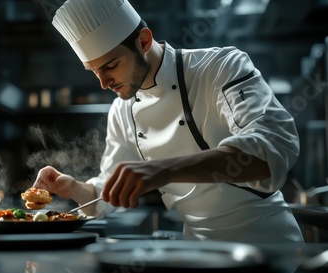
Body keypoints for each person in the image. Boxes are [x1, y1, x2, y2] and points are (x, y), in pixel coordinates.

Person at [32, 0, 304, 243]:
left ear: (144, 41)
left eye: (111, 65)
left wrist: (164, 170)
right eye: (94, 71)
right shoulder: (122, 110)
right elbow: (109, 191)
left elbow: (272, 147)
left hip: (267, 244)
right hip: (199, 253)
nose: (103, 83)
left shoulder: (219, 68)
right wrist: (74, 188)